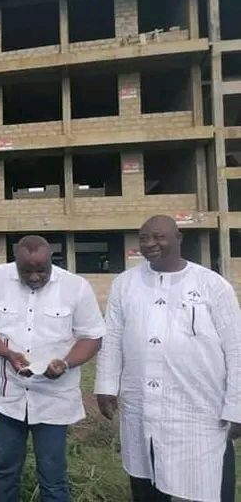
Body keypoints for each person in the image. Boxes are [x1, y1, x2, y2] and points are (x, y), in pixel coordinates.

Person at [95, 215, 241, 502]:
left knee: (208, 482)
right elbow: (112, 338)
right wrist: (106, 386)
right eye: (144, 238)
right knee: (146, 479)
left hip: (199, 409)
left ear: (178, 239)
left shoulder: (212, 285)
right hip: (143, 406)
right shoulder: (125, 284)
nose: (150, 244)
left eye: (159, 237)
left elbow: (236, 347)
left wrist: (237, 406)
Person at [0, 235, 105, 502]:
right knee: (5, 470)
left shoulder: (75, 287)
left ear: (52, 260)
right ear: (15, 261)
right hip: (7, 395)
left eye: (41, 270)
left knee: (53, 476)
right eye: (26, 271)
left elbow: (92, 337)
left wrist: (65, 363)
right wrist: (7, 353)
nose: (34, 277)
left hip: (54, 398)